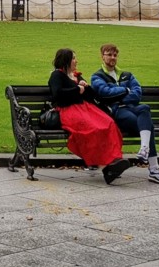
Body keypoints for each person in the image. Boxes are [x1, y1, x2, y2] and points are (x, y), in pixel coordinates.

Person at [48, 48, 133, 184]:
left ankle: (114, 160)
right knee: (93, 129)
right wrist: (77, 89)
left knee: (109, 123)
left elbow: (91, 96)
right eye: (74, 58)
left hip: (86, 109)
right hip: (69, 110)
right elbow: (57, 94)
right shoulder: (56, 76)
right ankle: (105, 166)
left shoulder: (76, 75)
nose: (76, 61)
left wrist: (86, 87)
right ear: (66, 60)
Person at [90, 43, 159, 185]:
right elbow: (104, 93)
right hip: (116, 113)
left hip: (131, 109)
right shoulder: (97, 76)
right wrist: (125, 91)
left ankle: (145, 149)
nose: (112, 57)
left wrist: (119, 94)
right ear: (102, 56)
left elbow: (137, 93)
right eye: (109, 54)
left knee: (144, 108)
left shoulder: (127, 75)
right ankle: (154, 169)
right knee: (148, 127)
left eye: (115, 55)